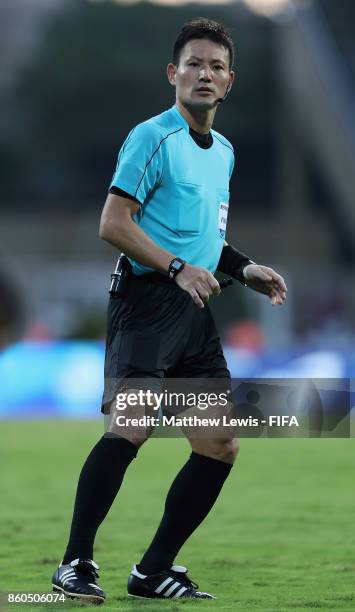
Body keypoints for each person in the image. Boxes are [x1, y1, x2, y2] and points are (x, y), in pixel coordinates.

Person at [52, 17, 287, 604]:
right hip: (145, 304)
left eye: (215, 66)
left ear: (230, 80)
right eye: (193, 64)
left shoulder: (224, 151)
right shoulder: (151, 137)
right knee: (131, 426)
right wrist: (177, 269)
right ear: (172, 74)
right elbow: (114, 224)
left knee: (219, 444)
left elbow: (200, 234)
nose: (204, 74)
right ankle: (74, 562)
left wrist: (243, 268)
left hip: (193, 312)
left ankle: (153, 569)